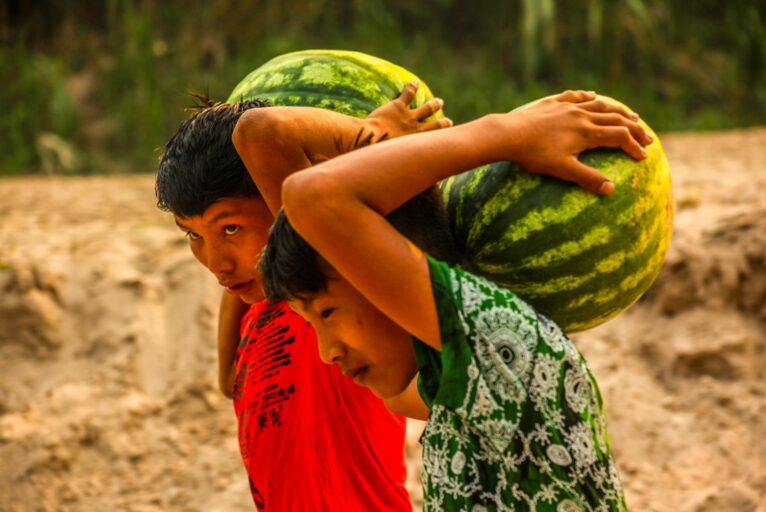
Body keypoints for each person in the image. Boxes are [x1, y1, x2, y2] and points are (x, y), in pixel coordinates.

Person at [254, 86, 653, 510]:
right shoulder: (443, 386)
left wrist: (507, 132)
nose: (325, 352)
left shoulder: (503, 348)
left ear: (386, 270)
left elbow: (294, 173)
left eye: (328, 312)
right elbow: (269, 155)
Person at [154, 90, 449, 510]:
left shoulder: (329, 294)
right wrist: (237, 330)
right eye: (194, 237)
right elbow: (227, 381)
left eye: (231, 229)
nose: (216, 263)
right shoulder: (259, 306)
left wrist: (368, 137)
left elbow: (264, 133)